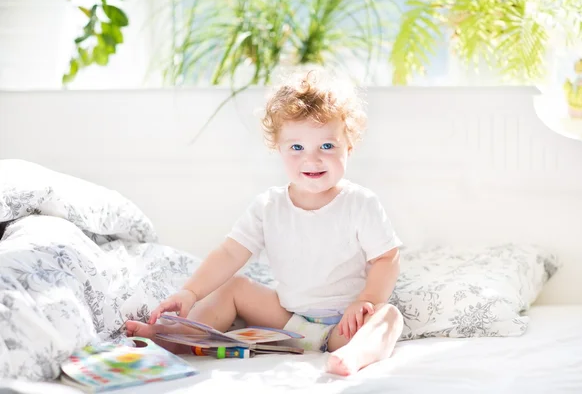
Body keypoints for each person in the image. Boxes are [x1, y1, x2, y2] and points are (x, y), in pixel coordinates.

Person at [126, 70, 404, 376]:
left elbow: (386, 258)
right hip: (288, 322)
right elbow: (231, 253)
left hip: (344, 325)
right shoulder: (268, 207)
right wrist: (190, 293)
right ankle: (174, 340)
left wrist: (366, 301)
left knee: (389, 316)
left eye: (327, 146)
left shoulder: (360, 203)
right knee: (234, 287)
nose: (311, 159)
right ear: (279, 149)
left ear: (349, 146)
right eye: (297, 148)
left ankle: (355, 355)